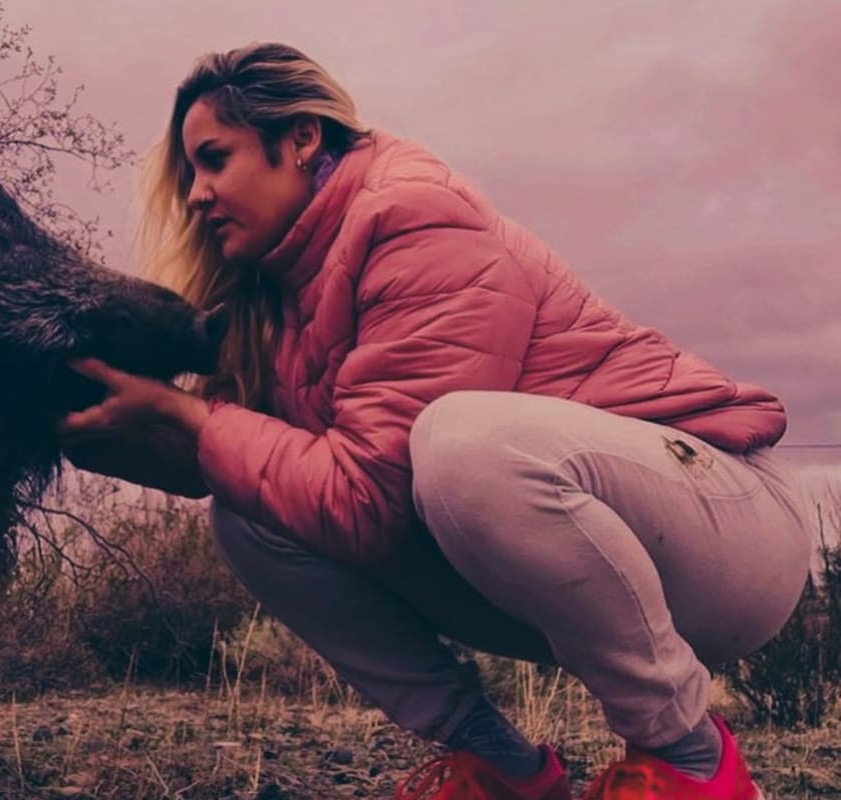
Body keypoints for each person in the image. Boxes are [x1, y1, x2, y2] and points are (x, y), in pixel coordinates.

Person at [59, 41, 814, 800]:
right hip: (578, 558)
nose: (195, 194)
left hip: (733, 535)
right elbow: (234, 457)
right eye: (190, 172)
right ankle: (503, 769)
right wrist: (83, 417)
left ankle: (691, 763)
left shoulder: (412, 215)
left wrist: (186, 413)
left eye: (215, 159)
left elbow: (367, 504)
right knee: (249, 515)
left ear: (300, 139)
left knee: (462, 444)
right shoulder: (276, 299)